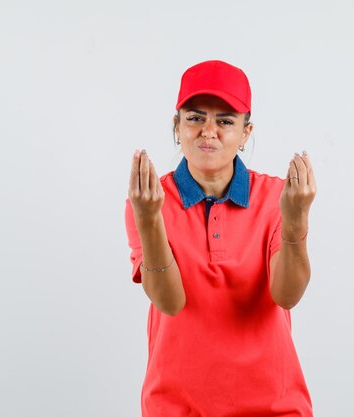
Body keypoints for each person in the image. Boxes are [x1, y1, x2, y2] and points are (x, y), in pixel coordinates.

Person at [125, 60, 317, 416]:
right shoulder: (150, 200)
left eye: (225, 121)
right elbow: (169, 302)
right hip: (177, 406)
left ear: (246, 132)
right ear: (177, 126)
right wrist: (150, 220)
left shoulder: (277, 198)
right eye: (195, 118)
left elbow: (286, 295)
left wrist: (295, 224)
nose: (208, 131)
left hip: (274, 406)